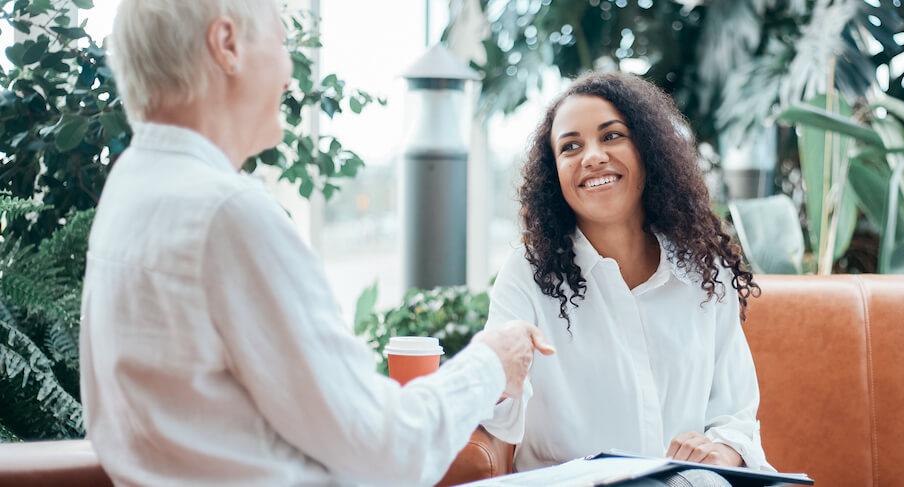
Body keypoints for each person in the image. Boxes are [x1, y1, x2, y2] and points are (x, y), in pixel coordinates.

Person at [79, 1, 553, 485]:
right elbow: (387, 448)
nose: (289, 77)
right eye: (282, 42)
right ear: (227, 45)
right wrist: (491, 363)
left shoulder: (130, 189)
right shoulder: (227, 215)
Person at [479, 72, 773, 473]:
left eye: (612, 136)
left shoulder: (704, 269)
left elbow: (736, 412)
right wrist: (498, 373)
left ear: (647, 150)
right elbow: (497, 414)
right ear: (555, 174)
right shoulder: (527, 273)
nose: (593, 156)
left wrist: (720, 452)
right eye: (570, 146)